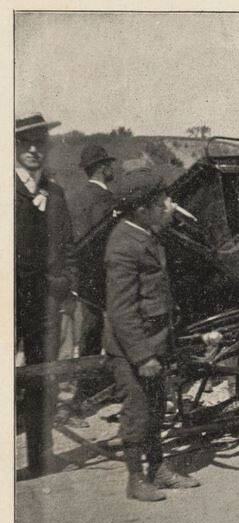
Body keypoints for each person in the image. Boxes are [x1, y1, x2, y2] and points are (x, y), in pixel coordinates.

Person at [104, 167, 200, 501]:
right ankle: (135, 479)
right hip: (134, 348)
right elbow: (121, 310)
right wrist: (142, 355)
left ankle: (157, 469)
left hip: (155, 341)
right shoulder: (123, 246)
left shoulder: (147, 234)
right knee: (137, 412)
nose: (169, 206)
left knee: (157, 407)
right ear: (143, 208)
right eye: (164, 202)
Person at [14, 113, 77, 476]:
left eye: (41, 143)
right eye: (26, 143)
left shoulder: (55, 193)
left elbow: (68, 246)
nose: (34, 150)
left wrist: (66, 283)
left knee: (44, 377)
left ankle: (41, 457)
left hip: (47, 304)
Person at [64, 144, 120, 425]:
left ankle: (85, 393)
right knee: (103, 330)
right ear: (102, 167)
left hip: (83, 278)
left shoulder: (74, 198)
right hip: (104, 276)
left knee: (90, 332)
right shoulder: (105, 199)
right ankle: (83, 398)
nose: (114, 168)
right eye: (110, 164)